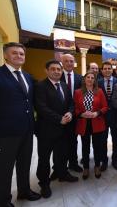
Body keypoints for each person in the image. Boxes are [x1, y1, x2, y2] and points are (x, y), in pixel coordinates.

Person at [0, 42, 41, 207]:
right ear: (6, 55)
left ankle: (24, 191)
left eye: (22, 54)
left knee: (24, 164)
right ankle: (3, 201)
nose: (19, 56)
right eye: (14, 53)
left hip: (27, 130)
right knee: (5, 169)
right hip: (5, 133)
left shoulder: (27, 76)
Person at [35, 60, 78, 199]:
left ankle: (62, 173)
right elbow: (41, 108)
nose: (56, 71)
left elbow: (71, 103)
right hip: (46, 130)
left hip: (63, 129)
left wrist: (70, 113)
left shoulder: (64, 86)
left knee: (62, 154)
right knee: (44, 159)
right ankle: (44, 183)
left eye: (59, 69)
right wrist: (59, 118)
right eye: (53, 69)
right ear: (46, 71)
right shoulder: (40, 86)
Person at [74, 71, 108, 179]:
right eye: (87, 77)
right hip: (84, 123)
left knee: (97, 146)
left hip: (97, 122)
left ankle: (97, 166)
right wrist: (81, 114)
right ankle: (86, 167)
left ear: (95, 80)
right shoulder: (78, 92)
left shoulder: (100, 91)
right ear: (84, 79)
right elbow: (74, 108)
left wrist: (96, 113)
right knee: (85, 147)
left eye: (92, 77)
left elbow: (105, 107)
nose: (90, 79)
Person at [60, 54, 83, 172]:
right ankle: (59, 167)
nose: (69, 63)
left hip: (75, 115)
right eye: (66, 61)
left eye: (71, 61)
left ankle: (73, 163)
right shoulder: (57, 76)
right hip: (60, 116)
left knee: (73, 141)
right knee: (59, 143)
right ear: (62, 62)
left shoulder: (80, 78)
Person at [98, 61, 117, 171]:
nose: (107, 70)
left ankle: (115, 160)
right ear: (102, 71)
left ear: (112, 70)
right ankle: (104, 161)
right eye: (105, 69)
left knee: (116, 140)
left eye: (109, 68)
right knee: (102, 140)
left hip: (116, 115)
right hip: (102, 116)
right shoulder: (97, 83)